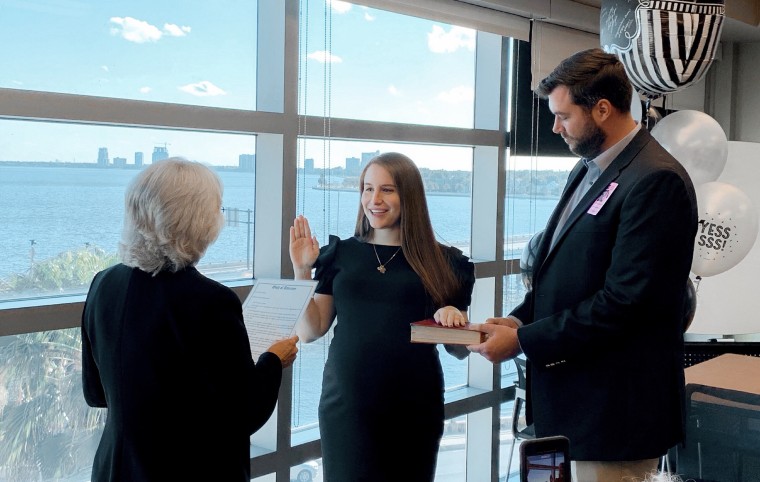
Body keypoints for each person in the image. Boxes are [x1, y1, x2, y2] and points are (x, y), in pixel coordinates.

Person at [468, 48, 698, 482]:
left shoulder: (656, 180)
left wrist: (524, 342)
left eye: (564, 116)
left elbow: (625, 304)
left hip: (613, 417)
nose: (555, 128)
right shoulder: (588, 169)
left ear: (603, 109)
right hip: (571, 410)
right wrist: (521, 321)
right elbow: (566, 274)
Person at [81, 157, 298, 482]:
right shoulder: (211, 301)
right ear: (197, 221)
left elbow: (95, 393)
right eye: (218, 209)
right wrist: (272, 359)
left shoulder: (103, 283)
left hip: (117, 468)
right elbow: (244, 413)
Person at [289, 151, 475, 481]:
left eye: (387, 190)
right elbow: (311, 330)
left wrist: (451, 317)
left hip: (414, 408)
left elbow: (459, 349)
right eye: (367, 188)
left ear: (409, 195)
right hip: (346, 408)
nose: (374, 200)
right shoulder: (341, 254)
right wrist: (302, 270)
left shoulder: (446, 263)